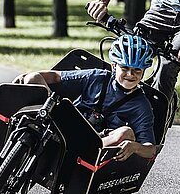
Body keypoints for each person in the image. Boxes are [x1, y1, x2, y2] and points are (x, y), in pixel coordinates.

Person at [13, 34, 157, 161]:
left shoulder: (141, 105)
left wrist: (135, 147)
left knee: (126, 133)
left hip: (96, 143)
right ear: (114, 66)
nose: (130, 74)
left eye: (137, 70)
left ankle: (76, 153)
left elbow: (150, 149)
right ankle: (35, 131)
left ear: (143, 72)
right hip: (65, 124)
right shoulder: (97, 77)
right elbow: (56, 76)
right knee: (33, 77)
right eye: (124, 68)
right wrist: (29, 76)